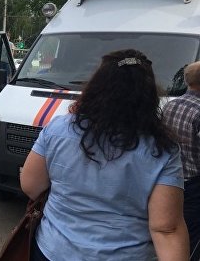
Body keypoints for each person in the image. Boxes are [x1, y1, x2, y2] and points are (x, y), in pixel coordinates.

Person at [20, 49, 188, 261]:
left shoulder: (59, 128)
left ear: (96, 87)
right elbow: (166, 229)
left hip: (53, 250)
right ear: (149, 95)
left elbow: (30, 185)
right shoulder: (162, 149)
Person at [163, 61, 200, 260]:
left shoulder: (170, 104)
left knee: (176, 225)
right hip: (194, 183)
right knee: (192, 232)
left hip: (171, 178)